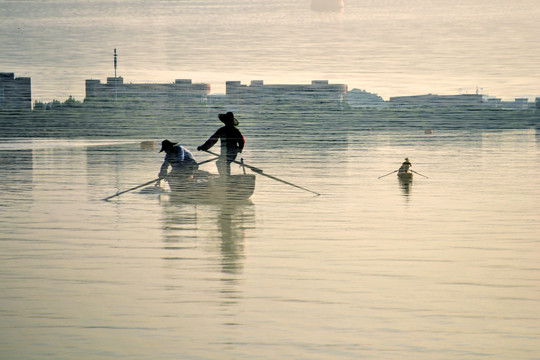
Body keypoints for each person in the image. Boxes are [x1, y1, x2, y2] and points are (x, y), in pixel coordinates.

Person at [197, 112, 245, 176]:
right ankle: (225, 177)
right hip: (226, 152)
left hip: (231, 152)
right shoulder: (226, 130)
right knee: (222, 163)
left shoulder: (229, 130)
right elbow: (212, 140)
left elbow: (241, 141)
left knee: (221, 162)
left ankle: (225, 178)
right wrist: (203, 147)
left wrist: (240, 148)